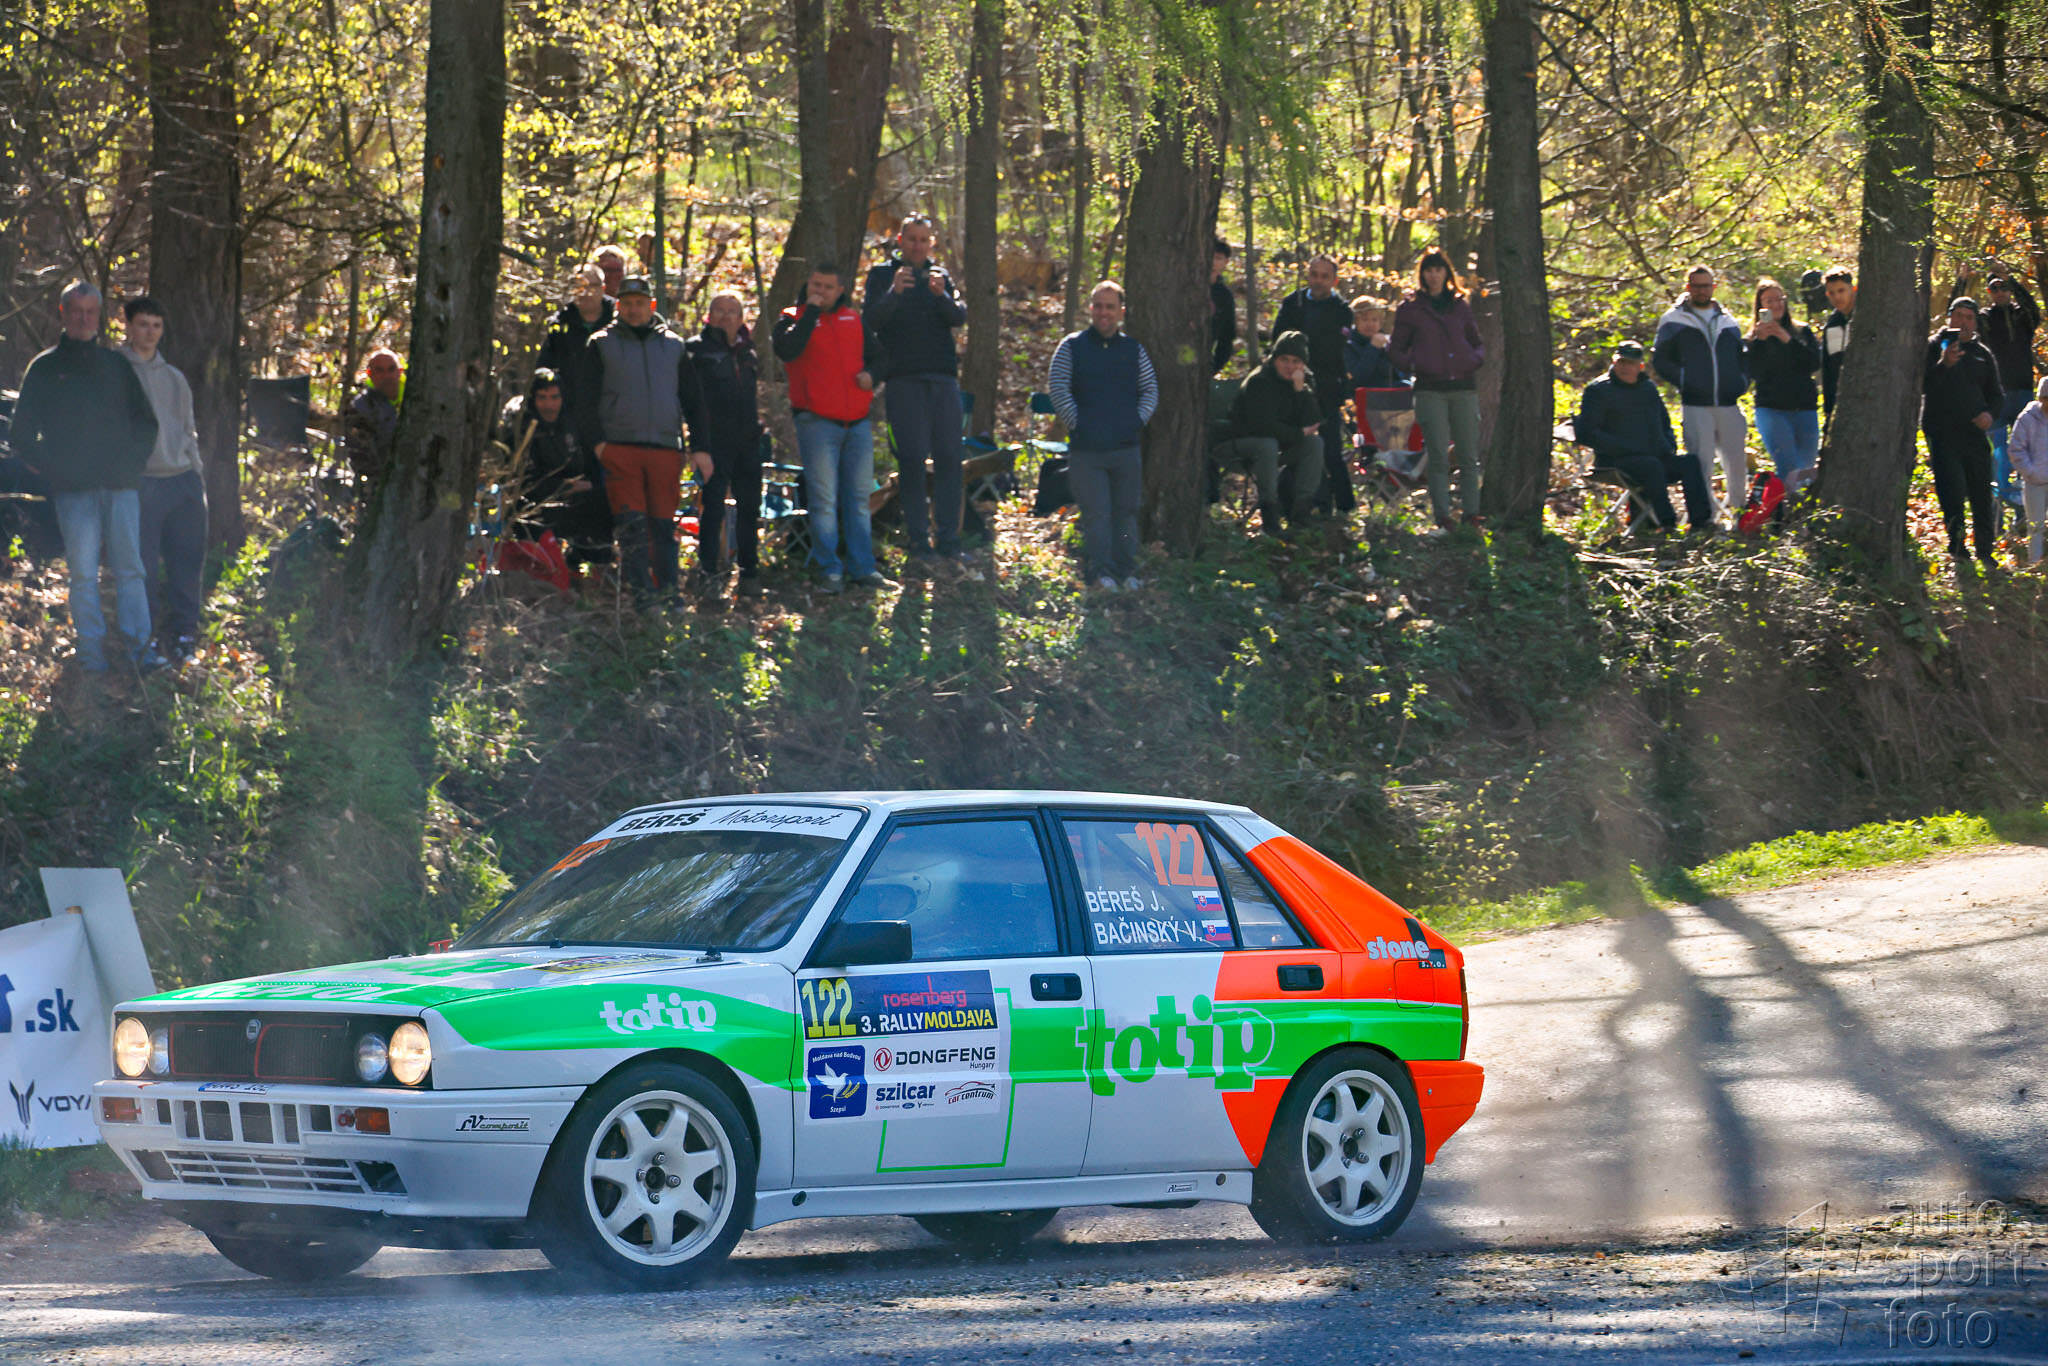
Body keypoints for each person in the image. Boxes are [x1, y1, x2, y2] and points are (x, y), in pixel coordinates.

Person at [12, 280, 161, 673]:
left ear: (99, 316)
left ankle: (140, 651)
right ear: (63, 313)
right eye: (76, 311)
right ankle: (91, 654)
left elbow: (146, 424)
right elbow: (21, 435)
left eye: (90, 312)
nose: (83, 319)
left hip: (120, 487)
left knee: (131, 570)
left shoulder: (115, 366)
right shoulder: (45, 368)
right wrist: (55, 469)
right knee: (82, 574)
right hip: (73, 492)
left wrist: (130, 465)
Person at [774, 261, 893, 594]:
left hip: (856, 423)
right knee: (824, 500)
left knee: (858, 499)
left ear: (840, 290)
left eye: (828, 287)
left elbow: (882, 358)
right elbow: (787, 350)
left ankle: (862, 568)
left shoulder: (853, 319)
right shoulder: (792, 318)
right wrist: (810, 312)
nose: (821, 292)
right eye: (816, 285)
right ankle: (830, 571)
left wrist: (872, 376)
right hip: (817, 423)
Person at [862, 215, 969, 570]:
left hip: (943, 380)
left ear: (931, 243)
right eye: (912, 239)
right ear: (900, 240)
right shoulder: (882, 276)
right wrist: (894, 293)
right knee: (911, 460)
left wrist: (941, 296)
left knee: (950, 459)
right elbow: (870, 321)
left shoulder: (940, 276)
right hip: (903, 381)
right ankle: (919, 542)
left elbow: (958, 317)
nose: (918, 246)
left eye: (924, 240)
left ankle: (949, 540)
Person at [582, 276, 692, 607]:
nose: (633, 310)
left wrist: (697, 448)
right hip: (620, 448)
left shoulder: (674, 346)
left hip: (665, 449)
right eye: (627, 303)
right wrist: (599, 445)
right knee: (632, 527)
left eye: (640, 303)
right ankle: (643, 599)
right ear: (618, 306)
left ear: (651, 305)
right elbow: (584, 400)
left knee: (663, 527)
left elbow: (693, 398)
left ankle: (670, 594)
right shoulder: (601, 343)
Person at [1047, 280, 1158, 590]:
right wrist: (1078, 424)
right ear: (1090, 309)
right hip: (1087, 451)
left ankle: (1126, 570)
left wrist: (1135, 422)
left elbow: (1150, 389)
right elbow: (1058, 388)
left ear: (1121, 311)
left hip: (1125, 448)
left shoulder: (1133, 350)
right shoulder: (1071, 346)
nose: (1103, 312)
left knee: (1125, 514)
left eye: (1110, 306)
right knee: (1097, 514)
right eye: (1098, 306)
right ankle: (1100, 572)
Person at [119, 296, 207, 664]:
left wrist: (196, 473)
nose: (150, 332)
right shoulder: (117, 372)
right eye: (143, 324)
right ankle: (148, 637)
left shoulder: (174, 378)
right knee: (144, 567)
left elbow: (188, 429)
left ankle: (185, 633)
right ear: (128, 326)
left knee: (187, 560)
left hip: (183, 479)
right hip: (143, 481)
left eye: (156, 325)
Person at [1389, 248, 1486, 528]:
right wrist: (1417, 364)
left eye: (1438, 270)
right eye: (1428, 271)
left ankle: (1472, 514)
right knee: (1438, 455)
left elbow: (1476, 342)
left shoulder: (1460, 305)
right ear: (1422, 275)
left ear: (1446, 273)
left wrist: (1472, 360)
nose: (1433, 276)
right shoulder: (1411, 309)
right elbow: (1396, 349)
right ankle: (1442, 516)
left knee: (1468, 455)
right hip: (1430, 390)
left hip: (1463, 386)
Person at [1574, 341, 1713, 532]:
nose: (1625, 367)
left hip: (1654, 455)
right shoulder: (1598, 391)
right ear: (1614, 362)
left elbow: (1664, 422)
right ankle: (1666, 524)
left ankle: (1700, 523)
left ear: (1640, 366)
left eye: (1630, 363)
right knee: (1651, 466)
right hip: (1616, 461)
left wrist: (1669, 445)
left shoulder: (1648, 388)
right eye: (1621, 362)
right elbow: (1586, 434)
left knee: (1690, 463)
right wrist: (1626, 447)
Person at [681, 292, 765, 601]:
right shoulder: (695, 350)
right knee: (712, 509)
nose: (726, 316)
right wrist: (697, 446)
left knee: (749, 509)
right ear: (709, 316)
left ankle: (749, 573)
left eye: (732, 311)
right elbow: (690, 402)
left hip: (748, 443)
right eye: (719, 310)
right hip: (713, 442)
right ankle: (709, 574)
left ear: (742, 318)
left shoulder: (748, 351)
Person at [1652, 264, 1749, 514]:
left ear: (1713, 287)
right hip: (1695, 404)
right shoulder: (1673, 319)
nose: (1701, 291)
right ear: (1688, 287)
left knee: (1737, 463)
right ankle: (1707, 518)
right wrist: (1686, 380)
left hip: (1728, 402)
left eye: (1706, 286)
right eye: (1696, 286)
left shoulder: (1728, 320)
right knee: (1702, 463)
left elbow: (1742, 358)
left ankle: (1740, 516)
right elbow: (1661, 360)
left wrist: (1741, 382)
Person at [496, 368, 612, 574]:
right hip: (532, 505)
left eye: (554, 397)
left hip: (571, 497)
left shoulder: (571, 421)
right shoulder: (521, 425)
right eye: (542, 398)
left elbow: (589, 463)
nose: (549, 405)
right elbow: (521, 481)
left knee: (603, 500)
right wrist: (564, 486)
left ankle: (591, 565)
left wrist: (588, 484)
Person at [1922, 297, 2005, 567]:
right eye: (1958, 315)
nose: (1963, 322)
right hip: (1943, 433)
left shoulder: (1983, 354)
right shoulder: (1935, 346)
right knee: (1953, 492)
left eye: (1969, 317)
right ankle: (1958, 548)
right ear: (1949, 317)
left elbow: (1997, 395)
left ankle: (1985, 552)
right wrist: (1944, 364)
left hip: (1975, 434)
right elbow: (1922, 385)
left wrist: (1990, 415)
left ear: (1975, 322)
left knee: (1981, 493)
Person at [1218, 330, 1323, 539]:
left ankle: (1301, 512)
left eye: (1295, 361)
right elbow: (1263, 426)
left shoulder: (1301, 381)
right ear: (1274, 359)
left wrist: (1300, 391)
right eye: (1284, 360)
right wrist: (1298, 433)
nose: (1289, 366)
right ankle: (1269, 515)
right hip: (1237, 445)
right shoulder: (1259, 381)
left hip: (1276, 447)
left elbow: (1313, 422)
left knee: (1314, 443)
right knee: (1267, 444)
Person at [1273, 255, 1355, 516]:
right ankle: (1303, 503)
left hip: (1328, 386)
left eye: (1324, 276)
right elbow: (1278, 341)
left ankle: (1343, 505)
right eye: (1314, 274)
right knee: (1300, 447)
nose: (1318, 281)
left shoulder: (1342, 310)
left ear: (1334, 280)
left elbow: (1337, 350)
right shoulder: (1292, 303)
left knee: (1330, 448)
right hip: (1292, 386)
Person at [1972, 271, 2040, 512]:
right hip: (1997, 394)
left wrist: (2011, 279)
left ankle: (2025, 508)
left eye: (2004, 287)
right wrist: (1963, 280)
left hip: (2023, 392)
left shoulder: (2023, 317)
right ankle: (1998, 506)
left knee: (2026, 449)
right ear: (1989, 292)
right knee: (1999, 453)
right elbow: (1960, 316)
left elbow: (2034, 311)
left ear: (2010, 290)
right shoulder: (1984, 319)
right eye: (1995, 288)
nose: (2000, 292)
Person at [1745, 277, 1822, 480]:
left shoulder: (1802, 332)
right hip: (1772, 410)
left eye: (1780, 299)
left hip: (1805, 408)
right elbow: (1754, 372)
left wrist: (1787, 339)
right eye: (1769, 301)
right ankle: (1784, 500)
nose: (1776, 305)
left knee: (1806, 469)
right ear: (1760, 306)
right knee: (1788, 467)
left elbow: (1813, 363)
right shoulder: (1752, 339)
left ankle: (1797, 500)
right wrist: (1760, 342)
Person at [537, 264, 614, 438]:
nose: (585, 292)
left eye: (592, 286)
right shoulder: (559, 325)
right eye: (579, 286)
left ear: (603, 289)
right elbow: (544, 369)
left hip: (613, 418)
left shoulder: (618, 322)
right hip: (570, 418)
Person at [345, 348, 402, 489]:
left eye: (391, 369)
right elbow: (361, 459)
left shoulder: (415, 400)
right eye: (379, 370)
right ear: (370, 374)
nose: (387, 376)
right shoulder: (361, 408)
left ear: (399, 372)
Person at [2008, 376, 2048, 565]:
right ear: (2041, 398)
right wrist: (2030, 472)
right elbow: (2016, 449)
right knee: (2035, 526)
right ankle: (2035, 563)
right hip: (2034, 482)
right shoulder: (2027, 419)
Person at [1819, 266, 1855, 429]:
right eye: (1831, 293)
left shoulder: (1869, 319)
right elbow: (1828, 370)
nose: (1837, 297)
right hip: (1841, 403)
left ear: (1853, 289)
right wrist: (1828, 411)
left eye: (1841, 291)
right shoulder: (1831, 326)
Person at [1209, 238, 1238, 375]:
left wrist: (1213, 368)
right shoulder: (1184, 288)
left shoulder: (1224, 296)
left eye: (1218, 258)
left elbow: (1227, 337)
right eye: (1209, 256)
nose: (1212, 262)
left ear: (1226, 262)